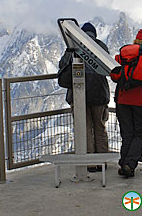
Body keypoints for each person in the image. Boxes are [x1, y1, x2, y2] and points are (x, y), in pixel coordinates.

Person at [58, 22, 110, 172]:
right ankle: (102, 161)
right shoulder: (101, 47)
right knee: (100, 128)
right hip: (99, 94)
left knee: (84, 129)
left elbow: (62, 65)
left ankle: (89, 163)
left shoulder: (73, 47)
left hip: (78, 94)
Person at [111, 29, 142, 178]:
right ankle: (129, 164)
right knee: (139, 134)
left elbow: (114, 74)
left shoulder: (124, 54)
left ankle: (123, 163)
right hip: (141, 102)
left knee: (127, 134)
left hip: (122, 100)